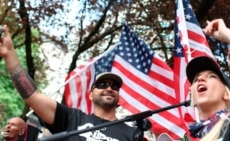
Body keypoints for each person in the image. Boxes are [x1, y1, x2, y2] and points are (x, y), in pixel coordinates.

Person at [0, 25, 142, 141]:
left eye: (115, 86)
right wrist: (9, 53)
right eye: (102, 85)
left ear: (118, 95)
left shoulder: (131, 133)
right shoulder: (72, 118)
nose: (109, 88)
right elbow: (32, 95)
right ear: (91, 95)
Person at [196, 18, 230, 141]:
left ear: (226, 93)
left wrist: (226, 33)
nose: (200, 79)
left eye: (211, 76)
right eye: (195, 79)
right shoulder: (186, 136)